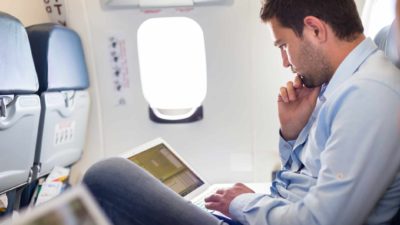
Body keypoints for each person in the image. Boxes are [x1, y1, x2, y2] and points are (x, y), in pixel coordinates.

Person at [83, 0, 400, 224]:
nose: (286, 63)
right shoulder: (341, 84)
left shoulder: (369, 94)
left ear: (316, 30)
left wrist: (241, 204)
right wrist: (292, 134)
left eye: (283, 46)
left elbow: (321, 220)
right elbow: (304, 181)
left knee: (107, 175)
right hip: (274, 211)